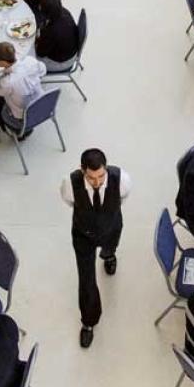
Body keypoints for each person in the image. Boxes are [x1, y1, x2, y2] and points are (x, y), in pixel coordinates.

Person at [60, 149, 132, 348]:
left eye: (101, 176)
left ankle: (109, 256)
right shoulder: (69, 184)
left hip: (111, 227)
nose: (97, 182)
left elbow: (122, 199)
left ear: (106, 169)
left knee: (110, 247)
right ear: (82, 171)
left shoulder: (122, 179)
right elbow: (70, 202)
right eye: (91, 178)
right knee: (86, 280)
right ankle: (89, 322)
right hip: (83, 235)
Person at [0, 42, 47, 139]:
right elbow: (43, 70)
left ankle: (12, 130)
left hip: (21, 119)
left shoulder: (7, 82)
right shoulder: (30, 61)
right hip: (43, 105)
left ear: (2, 62)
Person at [34, 0, 79, 72]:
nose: (39, 7)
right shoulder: (64, 11)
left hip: (61, 62)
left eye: (40, 6)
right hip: (70, 52)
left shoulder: (52, 30)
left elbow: (40, 53)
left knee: (27, 57)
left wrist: (38, 38)